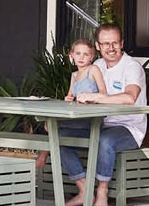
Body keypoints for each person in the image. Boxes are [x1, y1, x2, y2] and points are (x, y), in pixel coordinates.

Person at [55, 25, 146, 206]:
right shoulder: (96, 66)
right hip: (99, 124)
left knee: (105, 141)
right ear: (97, 46)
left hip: (128, 128)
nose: (110, 48)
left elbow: (130, 97)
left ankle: (102, 192)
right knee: (61, 139)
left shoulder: (131, 67)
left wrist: (96, 97)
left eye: (114, 43)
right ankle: (83, 190)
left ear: (122, 44)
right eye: (105, 44)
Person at [33, 39, 111, 173]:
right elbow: (70, 97)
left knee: (53, 128)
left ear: (92, 57)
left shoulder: (93, 70)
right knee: (50, 125)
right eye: (78, 53)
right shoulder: (74, 75)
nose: (81, 57)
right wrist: (68, 99)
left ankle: (42, 155)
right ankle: (43, 155)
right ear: (72, 55)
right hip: (76, 118)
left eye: (86, 54)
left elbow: (104, 93)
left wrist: (91, 98)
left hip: (90, 120)